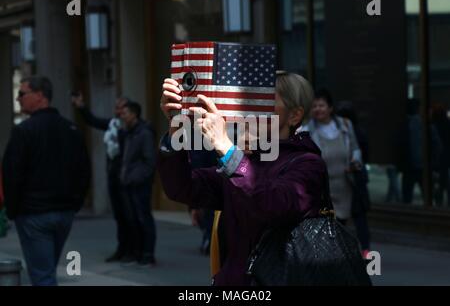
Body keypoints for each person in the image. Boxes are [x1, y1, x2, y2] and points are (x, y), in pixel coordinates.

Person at [158, 72, 328, 285]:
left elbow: (272, 204)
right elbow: (182, 188)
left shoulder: (308, 163)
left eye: (265, 102)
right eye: (249, 101)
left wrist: (228, 150)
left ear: (294, 116)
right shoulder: (249, 158)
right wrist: (176, 127)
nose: (251, 110)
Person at [2, 76, 91, 286]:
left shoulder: (25, 131)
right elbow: (84, 172)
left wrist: (14, 210)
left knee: (43, 276)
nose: (18, 99)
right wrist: (74, 205)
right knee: (46, 271)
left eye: (22, 94)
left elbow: (11, 174)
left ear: (40, 96)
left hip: (35, 214)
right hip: (62, 213)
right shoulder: (71, 130)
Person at [72, 92, 132, 262]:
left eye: (122, 108)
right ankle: (122, 249)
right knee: (119, 216)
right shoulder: (112, 124)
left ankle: (137, 251)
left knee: (131, 217)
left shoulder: (131, 129)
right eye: (117, 108)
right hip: (114, 176)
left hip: (127, 178)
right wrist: (81, 107)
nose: (118, 111)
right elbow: (92, 120)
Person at [305, 89, 362, 225]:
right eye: (314, 106)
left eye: (321, 105)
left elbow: (355, 149)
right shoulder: (306, 131)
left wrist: (355, 161)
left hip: (345, 186)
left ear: (330, 108)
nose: (318, 109)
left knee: (343, 223)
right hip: (322, 188)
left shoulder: (345, 125)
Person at [120, 101, 157, 266]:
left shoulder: (144, 133)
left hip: (139, 184)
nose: (122, 116)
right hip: (129, 183)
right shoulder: (129, 132)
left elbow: (149, 161)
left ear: (134, 114)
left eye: (125, 113)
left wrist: (137, 178)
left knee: (143, 218)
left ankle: (148, 255)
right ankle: (138, 253)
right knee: (133, 219)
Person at [335, 101, 372, 258]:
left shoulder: (340, 133)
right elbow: (366, 156)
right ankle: (365, 251)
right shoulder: (359, 132)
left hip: (347, 178)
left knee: (340, 218)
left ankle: (341, 251)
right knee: (359, 219)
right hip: (356, 179)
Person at [431, 103, 450, 206]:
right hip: (446, 157)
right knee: (445, 180)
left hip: (437, 158)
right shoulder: (447, 124)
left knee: (438, 182)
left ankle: (439, 202)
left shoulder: (432, 126)